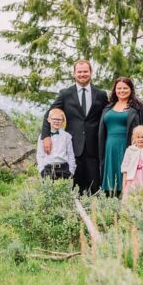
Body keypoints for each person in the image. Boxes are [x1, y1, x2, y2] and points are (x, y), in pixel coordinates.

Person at [40, 59, 107, 195]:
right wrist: (46, 136)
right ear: (74, 74)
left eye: (85, 71)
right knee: (74, 187)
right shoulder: (65, 94)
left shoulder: (100, 95)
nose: (82, 74)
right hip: (72, 147)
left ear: (91, 73)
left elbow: (109, 114)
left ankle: (93, 214)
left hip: (94, 148)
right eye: (79, 72)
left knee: (94, 186)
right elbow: (49, 114)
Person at [98, 76, 143, 197]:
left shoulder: (139, 108)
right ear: (114, 90)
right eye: (119, 88)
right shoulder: (108, 107)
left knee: (129, 175)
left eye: (125, 88)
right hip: (109, 147)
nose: (122, 91)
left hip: (129, 147)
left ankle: (128, 200)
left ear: (131, 89)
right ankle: (112, 201)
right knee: (111, 180)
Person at [36, 107, 76, 180]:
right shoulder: (43, 137)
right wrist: (41, 170)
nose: (57, 121)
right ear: (48, 119)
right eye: (54, 119)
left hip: (64, 169)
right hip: (48, 169)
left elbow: (71, 155)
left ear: (63, 121)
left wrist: (71, 171)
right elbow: (40, 155)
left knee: (64, 190)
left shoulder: (67, 136)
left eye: (60, 119)